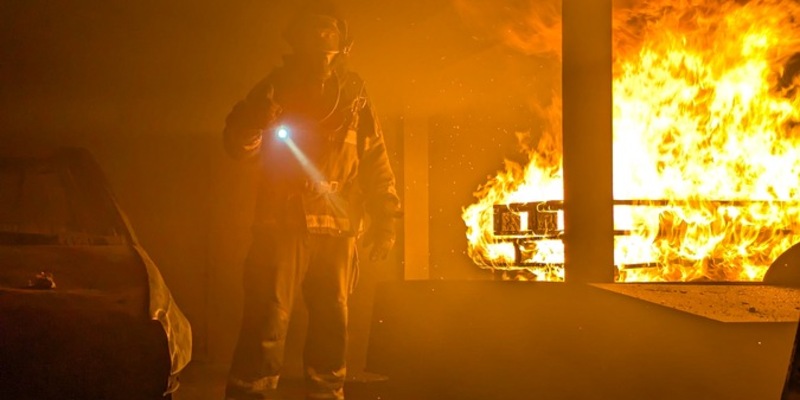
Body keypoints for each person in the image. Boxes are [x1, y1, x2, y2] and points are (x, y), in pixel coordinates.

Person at [221, 2, 400, 400]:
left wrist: (386, 216)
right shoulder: (275, 86)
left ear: (342, 42)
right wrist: (254, 119)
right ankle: (252, 394)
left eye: (329, 34)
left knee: (332, 327)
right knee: (266, 322)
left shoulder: (354, 93)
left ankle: (326, 395)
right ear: (298, 39)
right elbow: (238, 145)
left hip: (337, 231)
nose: (323, 43)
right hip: (281, 227)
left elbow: (375, 158)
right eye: (315, 33)